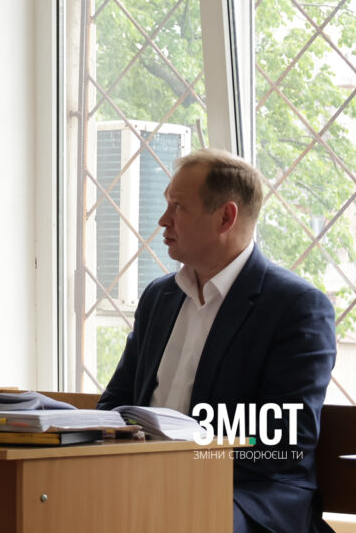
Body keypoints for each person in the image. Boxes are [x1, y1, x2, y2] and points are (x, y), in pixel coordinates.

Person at [97, 148, 336, 533]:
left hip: (251, 495)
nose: (163, 220)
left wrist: (181, 462)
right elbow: (115, 403)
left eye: (178, 206)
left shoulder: (295, 306)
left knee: (180, 518)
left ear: (225, 217)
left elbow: (285, 436)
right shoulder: (159, 298)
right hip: (149, 482)